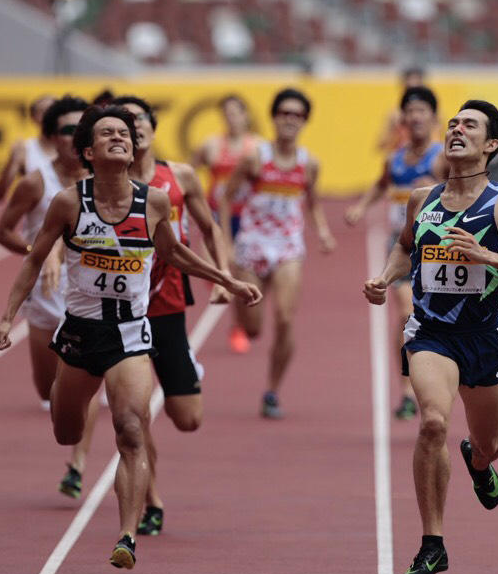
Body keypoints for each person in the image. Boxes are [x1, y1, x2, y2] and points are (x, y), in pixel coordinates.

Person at [0, 105, 261, 570]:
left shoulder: (154, 201)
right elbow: (34, 260)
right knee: (66, 431)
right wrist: (6, 318)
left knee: (131, 430)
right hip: (78, 333)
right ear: (89, 152)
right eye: (107, 133)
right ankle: (62, 393)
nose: (120, 137)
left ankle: (127, 535)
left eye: (125, 133)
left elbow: (175, 253)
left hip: (131, 333)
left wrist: (228, 281)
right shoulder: (69, 202)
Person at [363, 100, 498, 574]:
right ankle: (433, 544)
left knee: (489, 443)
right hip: (431, 332)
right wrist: (384, 278)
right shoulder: (421, 199)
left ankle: (478, 460)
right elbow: (406, 246)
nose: (455, 129)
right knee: (432, 422)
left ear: (491, 145)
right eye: (454, 123)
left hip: (483, 337)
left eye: (469, 125)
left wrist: (488, 256)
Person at [63, 93, 232, 536]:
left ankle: (181, 373)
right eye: (121, 123)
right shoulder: (97, 185)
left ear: (152, 131)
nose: (130, 128)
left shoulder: (177, 178)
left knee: (187, 418)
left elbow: (207, 228)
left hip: (168, 304)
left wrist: (224, 277)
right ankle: (150, 499)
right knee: (134, 418)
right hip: (114, 318)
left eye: (137, 121)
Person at [221, 88, 335, 418]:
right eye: (284, 113)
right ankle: (239, 318)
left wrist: (323, 232)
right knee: (253, 328)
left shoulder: (309, 163)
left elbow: (312, 203)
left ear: (304, 121)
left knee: (285, 318)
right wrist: (228, 244)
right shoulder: (255, 157)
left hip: (287, 247)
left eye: (297, 115)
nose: (290, 119)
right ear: (274, 118)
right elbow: (227, 198)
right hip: (253, 244)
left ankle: (272, 390)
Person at [346, 86, 446, 420]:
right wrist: (361, 207)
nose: (416, 116)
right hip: (402, 246)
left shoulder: (443, 158)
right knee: (405, 315)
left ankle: (440, 385)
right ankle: (406, 390)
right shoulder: (395, 159)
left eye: (422, 111)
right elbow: (380, 184)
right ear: (403, 119)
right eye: (411, 111)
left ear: (433, 117)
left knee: (440, 320)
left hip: (439, 250)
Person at [0, 95, 89, 415]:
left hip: (94, 283)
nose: (76, 136)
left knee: (93, 386)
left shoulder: (105, 178)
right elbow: (3, 232)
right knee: (49, 393)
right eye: (68, 129)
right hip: (46, 285)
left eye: (82, 128)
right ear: (51, 137)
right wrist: (39, 251)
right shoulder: (36, 182)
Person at [191, 94, 263, 353]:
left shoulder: (257, 147)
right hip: (215, 216)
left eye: (236, 113)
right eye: (226, 114)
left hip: (246, 220)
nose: (231, 119)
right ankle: (231, 302)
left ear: (245, 116)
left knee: (236, 274)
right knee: (218, 273)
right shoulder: (210, 146)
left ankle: (237, 326)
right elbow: (187, 173)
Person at [0, 94, 56, 203]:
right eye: (42, 111)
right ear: (33, 118)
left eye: (53, 110)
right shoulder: (25, 150)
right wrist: (13, 163)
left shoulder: (73, 149)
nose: (48, 115)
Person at [376, 66, 441, 153]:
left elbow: (440, 138)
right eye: (409, 89)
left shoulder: (435, 114)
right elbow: (381, 144)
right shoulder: (394, 115)